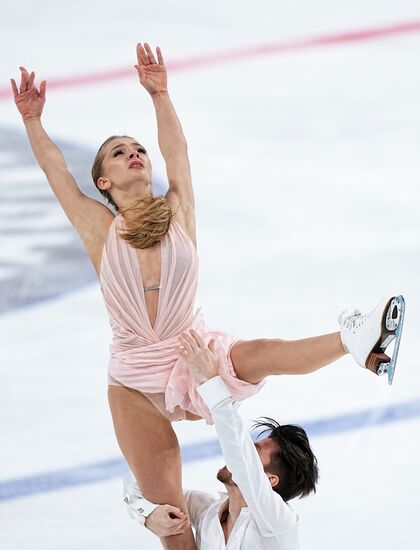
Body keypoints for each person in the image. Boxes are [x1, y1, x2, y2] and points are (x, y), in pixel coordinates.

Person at [11, 43, 403, 550]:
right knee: (172, 522)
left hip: (189, 347)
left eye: (138, 149)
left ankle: (355, 340)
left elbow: (177, 152)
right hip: (134, 382)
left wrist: (160, 94)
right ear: (104, 181)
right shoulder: (97, 227)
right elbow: (56, 175)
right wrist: (33, 123)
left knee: (257, 355)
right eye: (119, 152)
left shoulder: (179, 211)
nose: (135, 153)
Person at [123, 329, 318, 549]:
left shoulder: (279, 524)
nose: (244, 453)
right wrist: (148, 514)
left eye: (253, 451)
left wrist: (210, 381)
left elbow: (240, 460)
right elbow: (144, 479)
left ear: (270, 480)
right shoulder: (207, 513)